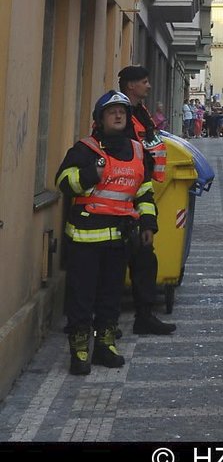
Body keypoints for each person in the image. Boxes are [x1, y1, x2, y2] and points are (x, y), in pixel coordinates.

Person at [55, 90, 158, 375]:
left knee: (110, 297)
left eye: (122, 112)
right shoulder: (85, 149)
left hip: (119, 239)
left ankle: (105, 345)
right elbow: (64, 181)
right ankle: (79, 349)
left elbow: (145, 191)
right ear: (100, 119)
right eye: (112, 112)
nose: (118, 115)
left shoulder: (136, 150)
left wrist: (148, 225)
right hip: (85, 239)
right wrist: (90, 174)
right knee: (81, 297)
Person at [117, 65, 175, 334]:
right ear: (131, 86)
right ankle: (105, 324)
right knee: (116, 262)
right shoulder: (119, 114)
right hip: (120, 196)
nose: (149, 86)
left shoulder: (139, 113)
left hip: (141, 190)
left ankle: (143, 316)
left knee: (144, 259)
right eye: (144, 82)